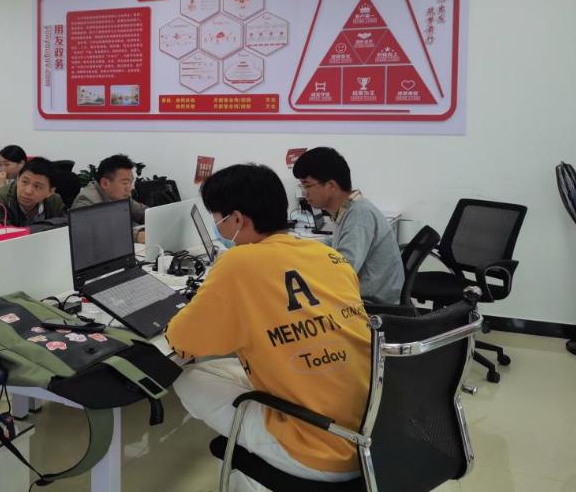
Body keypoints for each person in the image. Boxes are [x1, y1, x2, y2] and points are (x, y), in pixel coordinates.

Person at [166, 164, 370, 492]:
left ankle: (255, 467)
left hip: (319, 450)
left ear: (237, 219)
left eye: (217, 218)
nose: (217, 226)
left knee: (187, 377)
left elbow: (181, 340)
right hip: (371, 435)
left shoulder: (237, 263)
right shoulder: (327, 254)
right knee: (221, 370)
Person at [292, 147, 403, 304]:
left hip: (371, 304)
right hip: (362, 294)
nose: (304, 193)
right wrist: (300, 246)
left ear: (331, 185)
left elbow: (343, 270)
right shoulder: (350, 209)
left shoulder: (359, 215)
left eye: (307, 185)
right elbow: (337, 243)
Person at [0, 156, 64, 227]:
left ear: (50, 192)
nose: (28, 191)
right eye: (24, 182)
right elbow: (5, 237)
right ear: (17, 179)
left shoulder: (54, 201)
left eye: (37, 186)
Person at [71, 154, 147, 224]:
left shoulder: (120, 196)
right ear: (105, 183)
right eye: (125, 183)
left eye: (131, 182)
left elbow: (144, 214)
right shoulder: (86, 202)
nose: (130, 188)